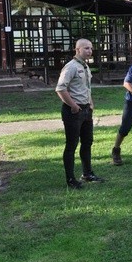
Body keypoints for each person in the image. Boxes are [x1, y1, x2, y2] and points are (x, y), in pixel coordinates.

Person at [56, 38, 103, 189]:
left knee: (87, 142)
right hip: (73, 111)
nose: (90, 51)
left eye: (91, 48)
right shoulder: (71, 67)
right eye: (86, 48)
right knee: (71, 145)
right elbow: (60, 89)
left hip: (86, 110)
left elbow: (85, 87)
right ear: (77, 50)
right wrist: (74, 106)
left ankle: (87, 173)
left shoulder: (85, 67)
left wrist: (90, 102)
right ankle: (70, 179)